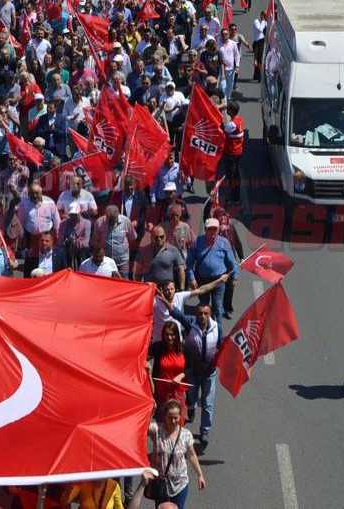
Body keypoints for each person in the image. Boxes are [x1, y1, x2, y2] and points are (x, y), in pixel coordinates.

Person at [171, 303, 220, 453]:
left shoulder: (217, 327)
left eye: (206, 313)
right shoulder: (191, 325)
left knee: (207, 403)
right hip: (192, 372)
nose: (202, 316)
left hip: (209, 373)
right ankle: (191, 408)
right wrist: (165, 301)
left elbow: (221, 345)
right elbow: (177, 314)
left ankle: (204, 431)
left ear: (210, 314)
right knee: (191, 398)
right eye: (200, 313)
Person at [147, 399, 205, 509]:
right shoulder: (156, 430)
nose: (173, 421)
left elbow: (191, 455)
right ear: (164, 416)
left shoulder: (186, 435)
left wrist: (200, 475)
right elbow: (142, 425)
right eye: (170, 417)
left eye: (176, 417)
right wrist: (151, 411)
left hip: (180, 485)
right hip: (161, 484)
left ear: (180, 417)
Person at [186, 218, 239, 329]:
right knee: (203, 309)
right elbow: (189, 262)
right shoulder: (197, 242)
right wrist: (191, 278)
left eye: (215, 229)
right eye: (210, 229)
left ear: (218, 230)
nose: (213, 232)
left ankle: (218, 336)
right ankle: (203, 332)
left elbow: (232, 262)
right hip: (202, 280)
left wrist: (235, 277)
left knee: (218, 308)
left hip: (219, 281)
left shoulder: (224, 243)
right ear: (205, 230)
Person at [93, 205, 136, 278]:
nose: (111, 223)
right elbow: (96, 240)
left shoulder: (126, 221)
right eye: (109, 220)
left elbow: (132, 238)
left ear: (118, 215)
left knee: (124, 283)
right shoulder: (99, 222)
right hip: (107, 261)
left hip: (123, 261)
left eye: (113, 220)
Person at [58, 202, 92, 269]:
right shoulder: (63, 224)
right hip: (67, 252)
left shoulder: (87, 223)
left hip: (82, 253)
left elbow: (86, 242)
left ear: (80, 213)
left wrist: (75, 242)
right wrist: (68, 241)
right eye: (71, 214)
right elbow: (60, 241)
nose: (73, 216)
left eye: (75, 214)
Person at [252, 10, 268, 82]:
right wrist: (264, 22)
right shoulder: (257, 21)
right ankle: (258, 76)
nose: (264, 17)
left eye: (265, 16)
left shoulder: (265, 23)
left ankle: (257, 76)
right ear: (261, 15)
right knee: (257, 60)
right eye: (264, 15)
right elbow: (260, 29)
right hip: (257, 42)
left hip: (263, 42)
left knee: (261, 60)